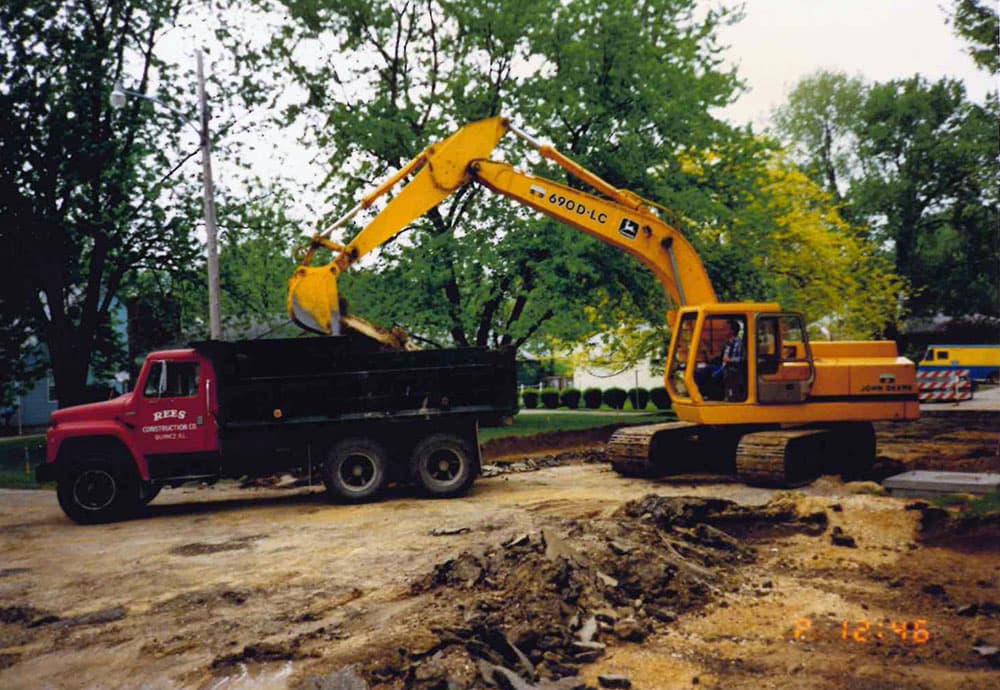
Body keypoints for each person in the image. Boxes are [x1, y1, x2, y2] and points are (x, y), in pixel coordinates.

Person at [722, 319, 746, 402]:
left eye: (726, 329)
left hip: (733, 370)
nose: (724, 331)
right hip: (725, 368)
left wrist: (730, 360)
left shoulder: (738, 343)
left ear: (732, 331)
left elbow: (742, 358)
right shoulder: (728, 342)